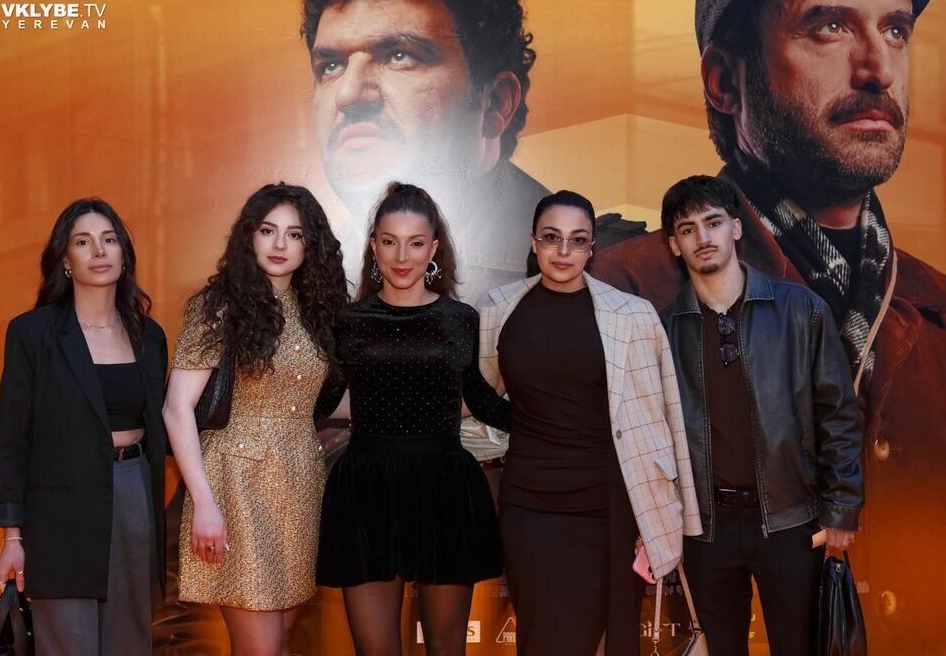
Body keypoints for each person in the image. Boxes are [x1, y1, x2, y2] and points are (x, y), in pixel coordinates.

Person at [588, 0, 945, 649]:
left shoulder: (935, 303)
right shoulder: (628, 287)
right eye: (829, 25)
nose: (877, 68)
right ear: (726, 79)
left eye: (896, 29)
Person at [300, 0, 646, 302]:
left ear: (494, 104)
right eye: (331, 66)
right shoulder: (301, 278)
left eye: (400, 56)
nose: (348, 94)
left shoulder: (616, 275)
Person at [474, 190, 701, 655]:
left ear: (592, 246)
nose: (563, 251)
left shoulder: (632, 315)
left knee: (601, 638)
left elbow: (660, 422)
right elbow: (479, 394)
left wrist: (665, 513)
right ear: (533, 241)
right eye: (551, 237)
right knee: (544, 639)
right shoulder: (497, 309)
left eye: (577, 240)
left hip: (607, 508)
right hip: (529, 508)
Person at [655, 175, 865, 654]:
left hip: (791, 521)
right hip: (706, 529)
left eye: (712, 222)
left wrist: (842, 508)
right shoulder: (662, 330)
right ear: (674, 245)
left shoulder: (801, 309)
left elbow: (838, 414)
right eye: (687, 229)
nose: (702, 237)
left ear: (735, 228)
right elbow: (651, 435)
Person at [315, 182, 512, 656]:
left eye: (416, 243)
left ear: (434, 249)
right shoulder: (348, 321)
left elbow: (482, 400)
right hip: (366, 490)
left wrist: (558, 418)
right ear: (373, 246)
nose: (402, 256)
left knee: (447, 649)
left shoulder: (460, 318)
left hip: (444, 489)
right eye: (390, 241)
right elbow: (319, 402)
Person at [161, 183, 348, 656]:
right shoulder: (217, 307)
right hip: (236, 484)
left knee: (280, 640)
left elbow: (319, 399)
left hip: (301, 483)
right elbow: (176, 408)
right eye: (268, 231)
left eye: (294, 234)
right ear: (249, 236)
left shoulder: (317, 311)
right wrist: (204, 503)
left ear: (311, 245)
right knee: (260, 648)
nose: (280, 244)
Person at [0, 198, 168, 654]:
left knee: (130, 641)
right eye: (83, 242)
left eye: (109, 240)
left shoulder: (149, 337)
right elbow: (12, 438)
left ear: (124, 253)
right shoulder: (32, 333)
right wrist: (12, 535)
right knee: (68, 643)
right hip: (59, 506)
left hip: (132, 492)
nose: (99, 251)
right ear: (65, 261)